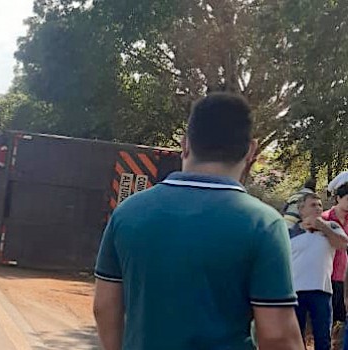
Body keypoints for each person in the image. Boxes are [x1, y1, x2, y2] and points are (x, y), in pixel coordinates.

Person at [94, 92, 303, 349]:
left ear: (185, 144)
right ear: (251, 150)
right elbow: (277, 334)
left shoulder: (128, 213)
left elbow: (104, 307)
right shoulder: (263, 224)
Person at [288, 192, 348, 350]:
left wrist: (322, 226)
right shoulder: (290, 231)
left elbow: (343, 245)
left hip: (322, 290)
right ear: (301, 209)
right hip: (295, 291)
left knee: (323, 339)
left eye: (320, 205)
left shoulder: (332, 227)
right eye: (313, 205)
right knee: (295, 338)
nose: (318, 208)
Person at [324, 176, 348, 348]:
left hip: (344, 276)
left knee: (342, 316)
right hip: (325, 274)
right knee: (326, 316)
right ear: (338, 198)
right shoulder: (325, 219)